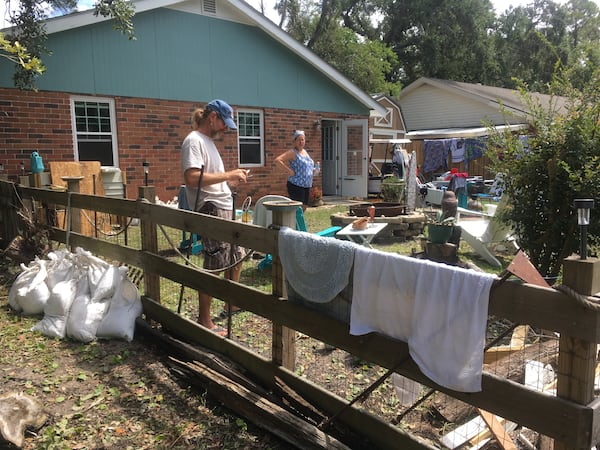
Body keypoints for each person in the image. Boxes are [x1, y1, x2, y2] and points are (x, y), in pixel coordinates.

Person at [181, 99, 248, 336]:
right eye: (223, 123)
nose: (226, 129)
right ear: (212, 118)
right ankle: (204, 320)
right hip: (209, 208)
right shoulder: (194, 141)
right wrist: (227, 174)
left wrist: (229, 181)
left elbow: (210, 177)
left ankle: (230, 302)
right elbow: (192, 178)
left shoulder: (208, 142)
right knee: (215, 263)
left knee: (236, 256)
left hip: (223, 205)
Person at [274, 130, 319, 210]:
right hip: (296, 185)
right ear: (294, 141)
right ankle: (293, 222)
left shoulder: (305, 152)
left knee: (304, 207)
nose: (301, 142)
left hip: (307, 185)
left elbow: (306, 167)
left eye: (302, 140)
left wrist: (314, 170)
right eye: (299, 140)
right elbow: (277, 160)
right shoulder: (293, 152)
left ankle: (298, 222)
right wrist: (289, 171)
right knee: (297, 208)